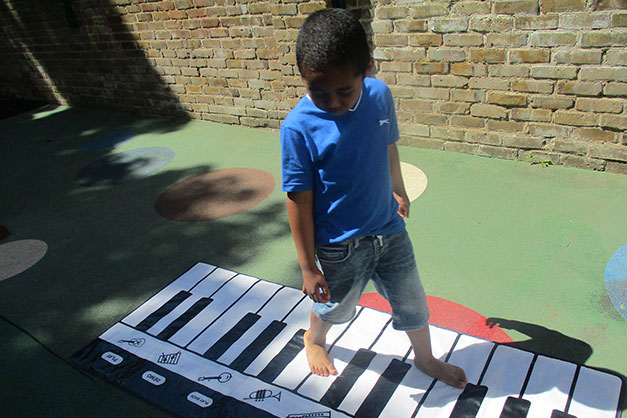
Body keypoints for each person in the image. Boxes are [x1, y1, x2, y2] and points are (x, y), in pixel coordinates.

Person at [280, 8, 468, 389]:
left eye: (344, 91)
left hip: (389, 228)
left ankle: (426, 358)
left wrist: (398, 188)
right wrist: (307, 267)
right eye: (317, 90)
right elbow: (298, 200)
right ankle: (313, 338)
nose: (331, 102)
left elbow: (388, 145)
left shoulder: (380, 96)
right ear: (303, 77)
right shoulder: (297, 128)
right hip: (339, 245)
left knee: (413, 301)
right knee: (335, 307)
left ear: (367, 70)